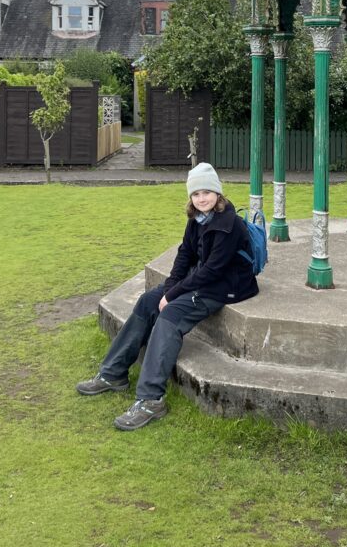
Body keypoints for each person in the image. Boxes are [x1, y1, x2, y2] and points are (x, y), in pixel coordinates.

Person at [76, 163, 259, 431]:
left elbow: (212, 270)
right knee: (148, 301)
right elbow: (185, 254)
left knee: (170, 315)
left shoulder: (227, 224)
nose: (202, 198)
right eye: (196, 194)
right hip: (204, 280)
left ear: (218, 194)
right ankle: (113, 373)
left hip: (227, 286)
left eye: (207, 192)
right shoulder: (197, 218)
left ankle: (151, 400)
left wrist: (172, 295)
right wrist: (168, 287)